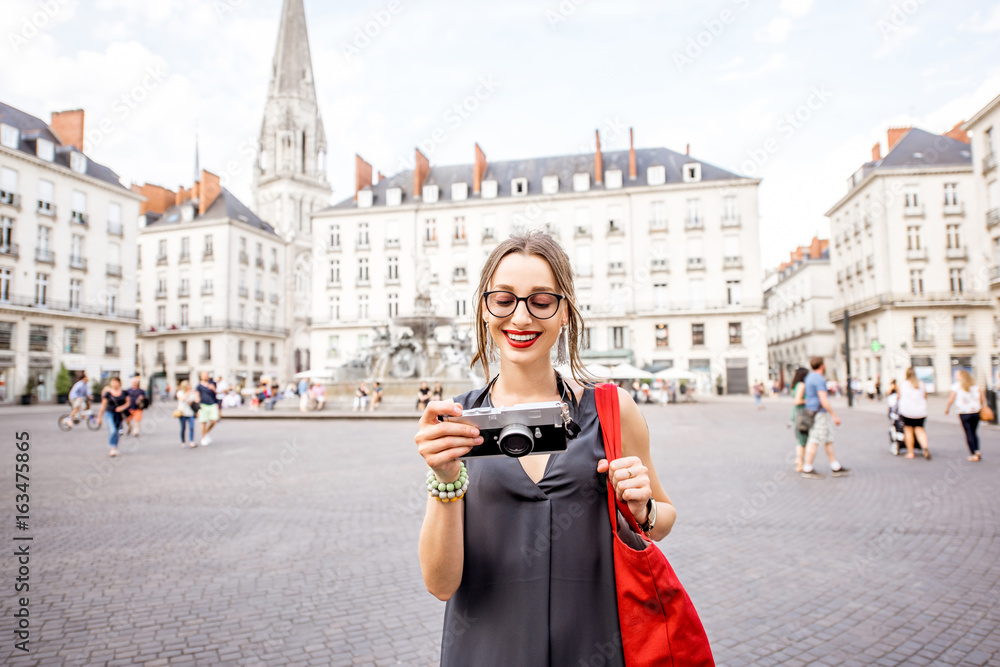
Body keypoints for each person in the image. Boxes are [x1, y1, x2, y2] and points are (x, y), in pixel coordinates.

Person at [415, 232, 677, 665]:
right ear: (484, 308)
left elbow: (663, 519)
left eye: (541, 301)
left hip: (594, 644)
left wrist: (643, 505)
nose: (520, 317)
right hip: (486, 650)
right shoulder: (456, 421)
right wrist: (445, 481)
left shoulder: (612, 408)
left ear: (565, 314)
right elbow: (441, 584)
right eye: (504, 299)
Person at [800, 357, 850, 479]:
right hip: (818, 413)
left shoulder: (809, 377)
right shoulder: (819, 379)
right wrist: (834, 415)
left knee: (827, 439)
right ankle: (807, 468)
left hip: (811, 411)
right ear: (822, 366)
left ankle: (835, 466)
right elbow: (823, 399)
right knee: (815, 440)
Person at [945, 370, 984, 462]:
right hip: (976, 411)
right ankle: (977, 450)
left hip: (964, 412)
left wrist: (947, 409)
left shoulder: (956, 386)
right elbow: (982, 398)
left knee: (968, 432)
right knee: (974, 432)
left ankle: (973, 453)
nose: (956, 377)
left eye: (957, 375)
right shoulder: (975, 386)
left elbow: (951, 399)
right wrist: (981, 407)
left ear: (961, 377)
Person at [898, 367, 931, 460]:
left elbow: (899, 397)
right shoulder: (921, 384)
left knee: (908, 431)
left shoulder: (903, 384)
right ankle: (925, 448)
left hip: (907, 411)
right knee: (920, 430)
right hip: (921, 411)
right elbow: (925, 397)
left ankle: (911, 452)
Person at [96, 376, 130, 457]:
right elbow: (103, 405)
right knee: (112, 430)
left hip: (119, 414)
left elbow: (128, 403)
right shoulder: (107, 393)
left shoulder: (125, 393)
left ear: (119, 383)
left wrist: (122, 408)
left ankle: (114, 447)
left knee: (117, 431)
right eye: (112, 382)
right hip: (109, 413)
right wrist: (99, 417)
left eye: (115, 382)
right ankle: (112, 448)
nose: (113, 384)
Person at [789, 367, 809, 472]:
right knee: (803, 440)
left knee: (801, 440)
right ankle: (799, 462)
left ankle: (799, 461)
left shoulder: (796, 385)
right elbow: (797, 401)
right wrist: (809, 400)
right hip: (802, 415)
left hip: (797, 414)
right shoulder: (802, 385)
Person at [196, 371, 220, 446]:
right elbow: (196, 395)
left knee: (214, 421)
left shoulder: (212, 384)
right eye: (203, 375)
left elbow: (216, 394)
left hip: (212, 404)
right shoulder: (198, 386)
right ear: (201, 376)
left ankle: (206, 433)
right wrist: (197, 404)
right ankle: (203, 438)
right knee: (204, 422)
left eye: (206, 375)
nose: (205, 376)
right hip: (203, 405)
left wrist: (214, 389)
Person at [175, 380, 198, 447]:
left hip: (190, 413)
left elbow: (191, 402)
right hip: (182, 413)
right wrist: (187, 393)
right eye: (188, 386)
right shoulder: (180, 392)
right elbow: (182, 399)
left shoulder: (192, 393)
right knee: (183, 428)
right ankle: (183, 441)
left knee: (191, 427)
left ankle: (191, 441)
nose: (189, 387)